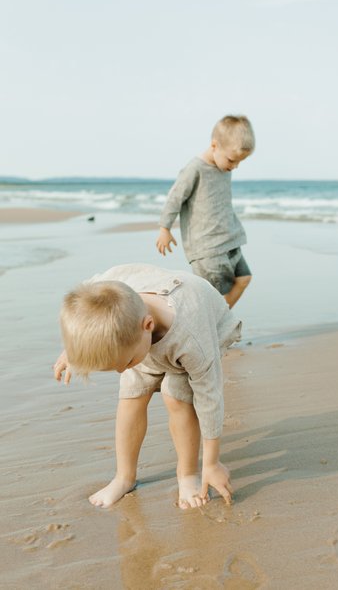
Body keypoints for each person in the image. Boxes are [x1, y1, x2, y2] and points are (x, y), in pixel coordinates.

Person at [52, 263, 242, 510]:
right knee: (130, 396)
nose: (122, 370)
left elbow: (210, 398)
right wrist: (76, 348)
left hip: (206, 327)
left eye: (126, 362)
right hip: (142, 341)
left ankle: (187, 474)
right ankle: (124, 477)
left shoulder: (193, 339)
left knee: (175, 396)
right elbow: (84, 307)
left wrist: (212, 463)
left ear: (148, 326)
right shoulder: (113, 299)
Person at [156, 114, 255, 308]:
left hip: (230, 240)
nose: (234, 166)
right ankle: (212, 327)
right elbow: (174, 198)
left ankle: (219, 321)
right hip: (207, 249)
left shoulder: (224, 167)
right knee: (211, 297)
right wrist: (164, 228)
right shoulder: (195, 169)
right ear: (214, 145)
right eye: (232, 160)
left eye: (239, 163)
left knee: (244, 279)